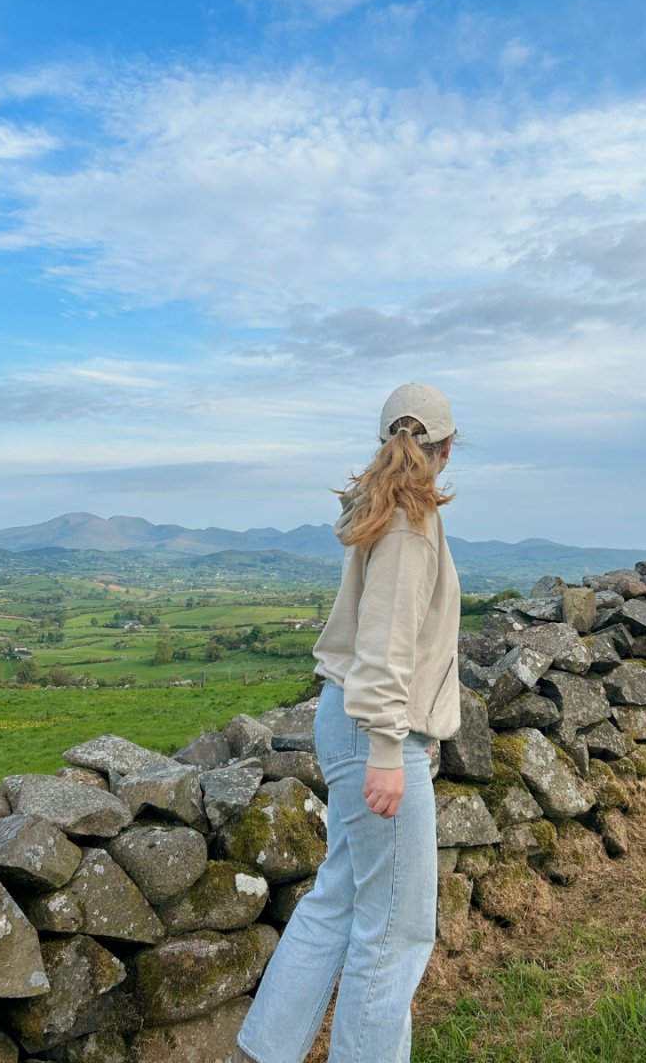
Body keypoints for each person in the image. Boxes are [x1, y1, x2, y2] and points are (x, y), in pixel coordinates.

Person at [232, 382, 461, 1063]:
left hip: (352, 718)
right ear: (446, 448)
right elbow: (388, 642)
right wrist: (391, 748)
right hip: (374, 729)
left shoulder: (382, 511)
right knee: (396, 929)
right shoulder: (409, 526)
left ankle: (266, 1050)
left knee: (339, 900)